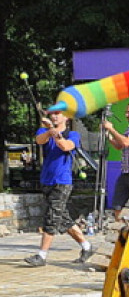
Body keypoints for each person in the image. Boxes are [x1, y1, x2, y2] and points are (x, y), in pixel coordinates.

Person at [24, 109, 94, 266]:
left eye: (58, 113)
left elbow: (65, 146)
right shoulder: (44, 131)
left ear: (66, 117)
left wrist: (53, 131)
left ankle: (42, 256)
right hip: (46, 180)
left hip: (62, 181)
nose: (54, 116)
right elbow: (39, 140)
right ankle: (87, 246)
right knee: (62, 218)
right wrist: (50, 131)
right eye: (52, 114)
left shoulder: (73, 134)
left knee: (51, 217)